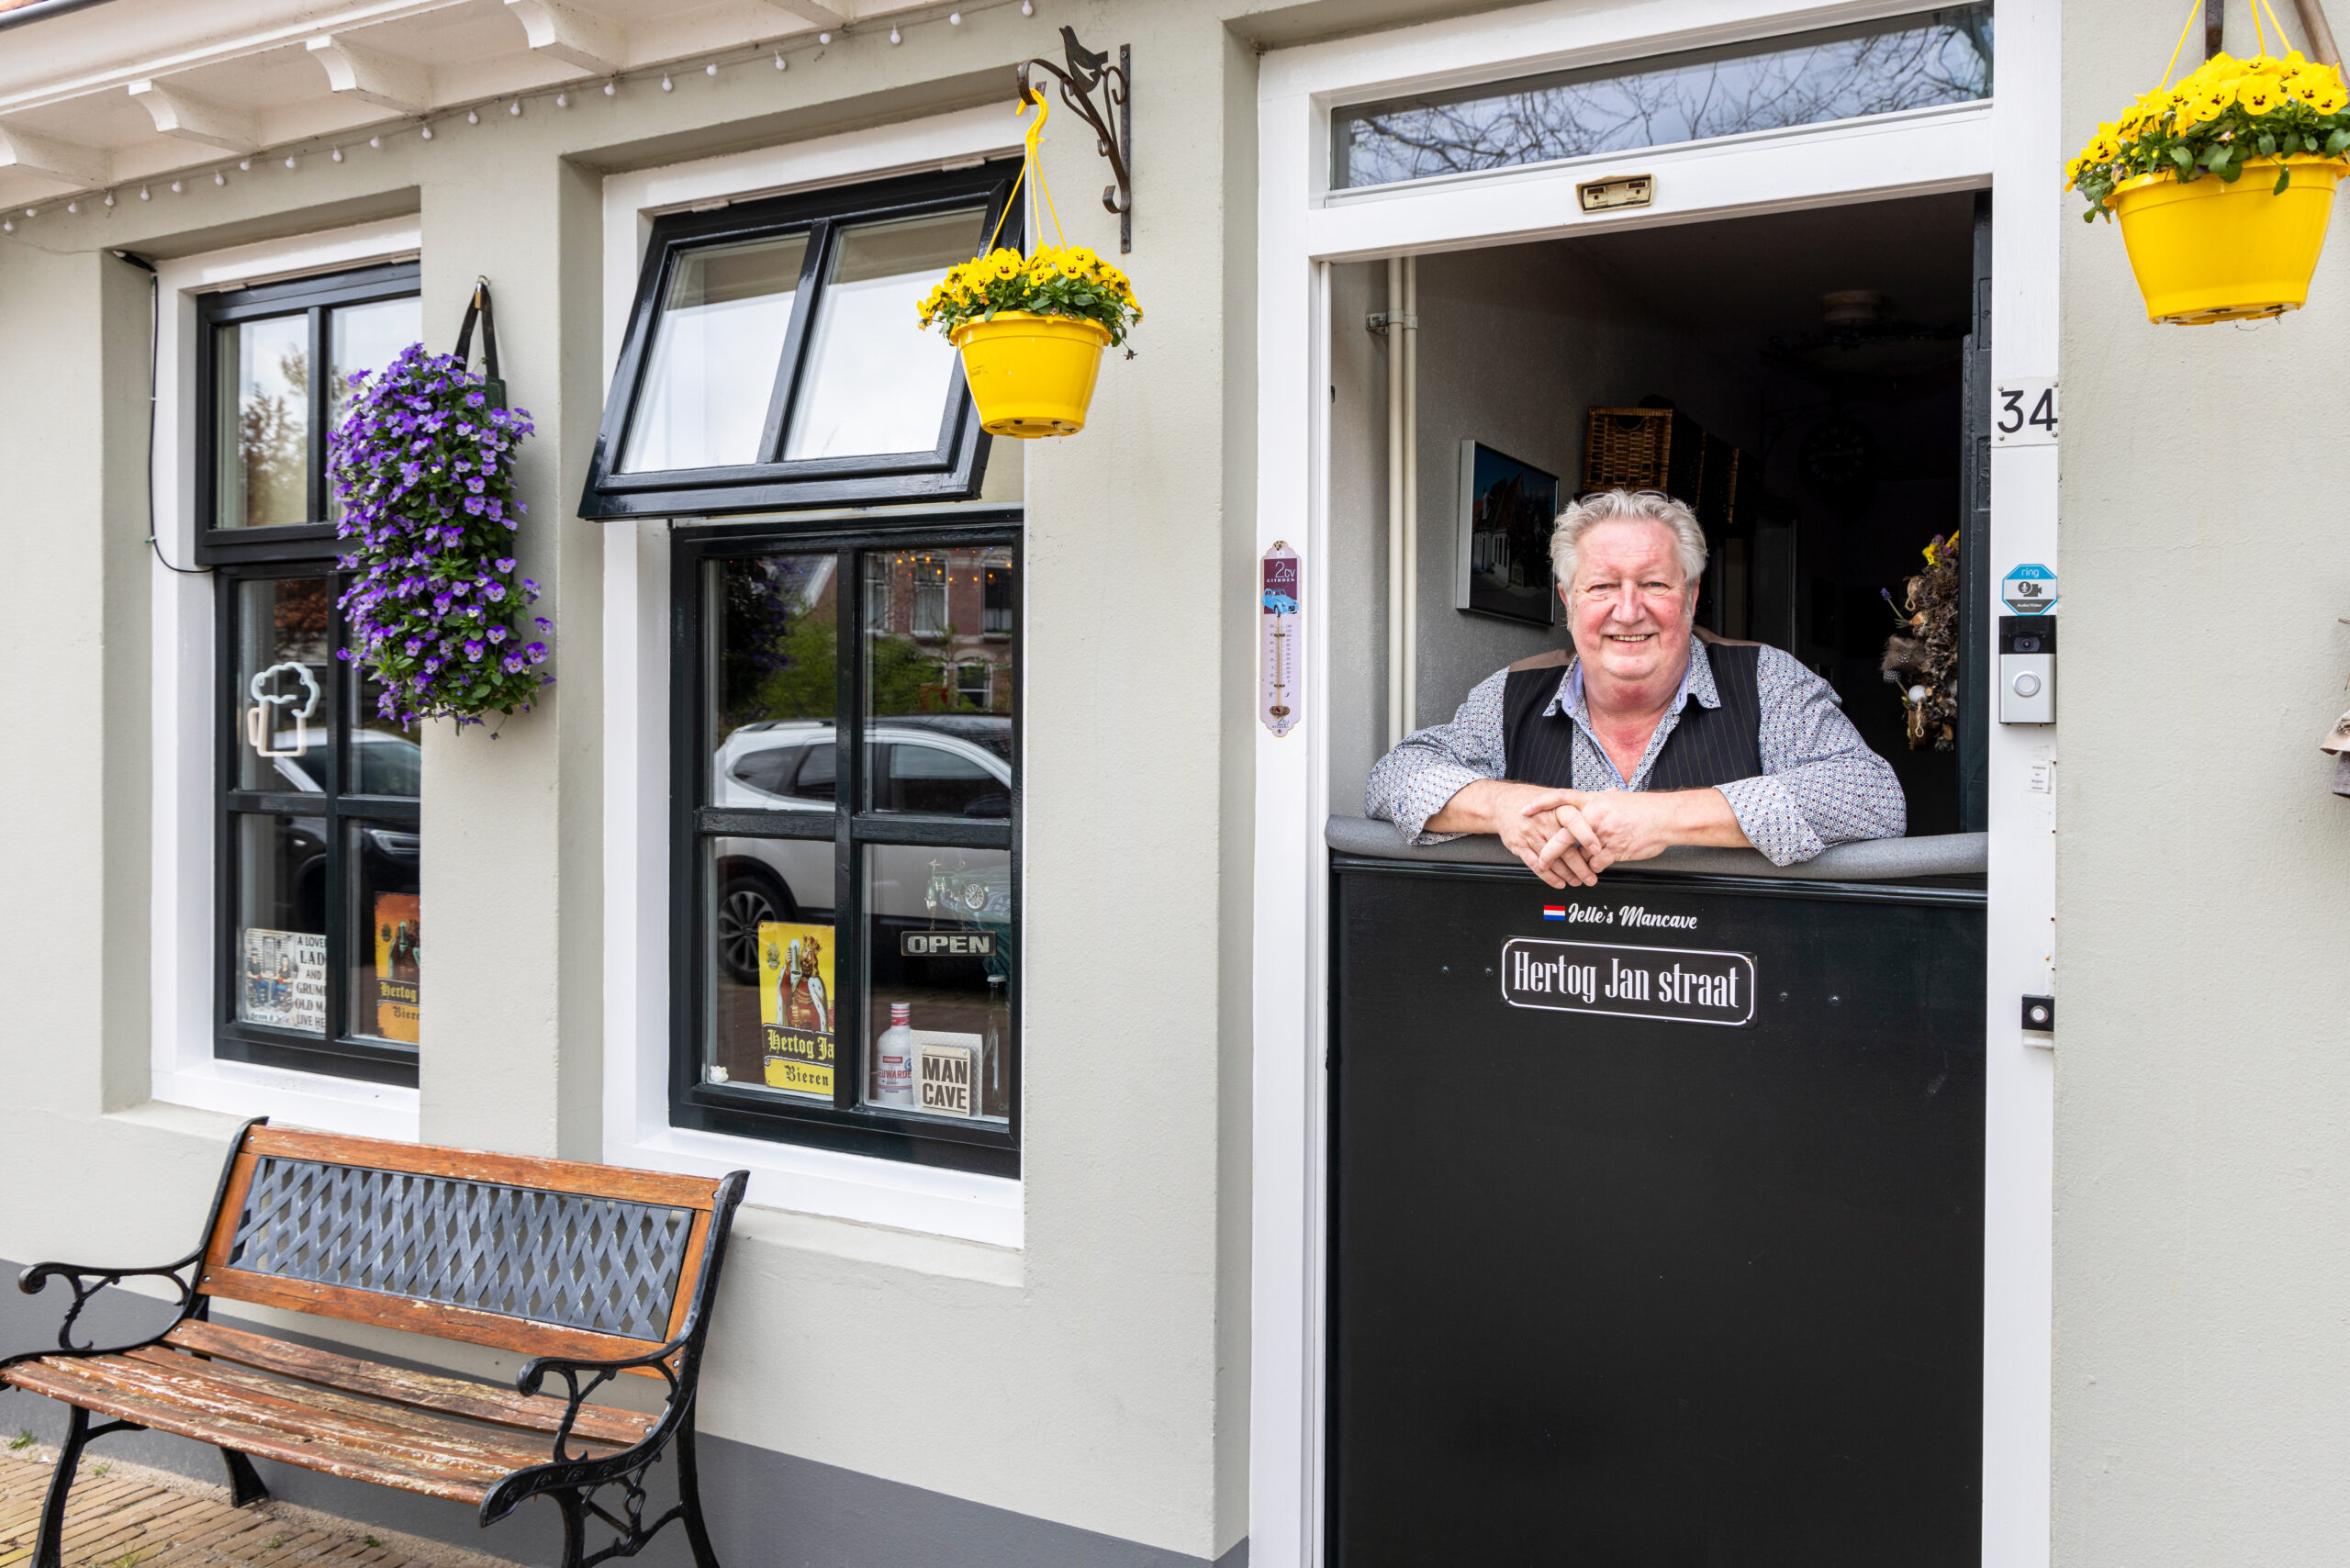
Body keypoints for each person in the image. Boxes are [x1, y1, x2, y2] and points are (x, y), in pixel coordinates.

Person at [1365, 487, 1904, 889]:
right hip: (1558, 991)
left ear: (1691, 597)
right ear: (1568, 600)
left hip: (1733, 996)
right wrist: (1501, 806)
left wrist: (1661, 819)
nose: (1628, 610)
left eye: (1653, 584)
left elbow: (1873, 799)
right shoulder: (1512, 693)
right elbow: (1392, 778)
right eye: (1601, 586)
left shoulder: (1768, 680)